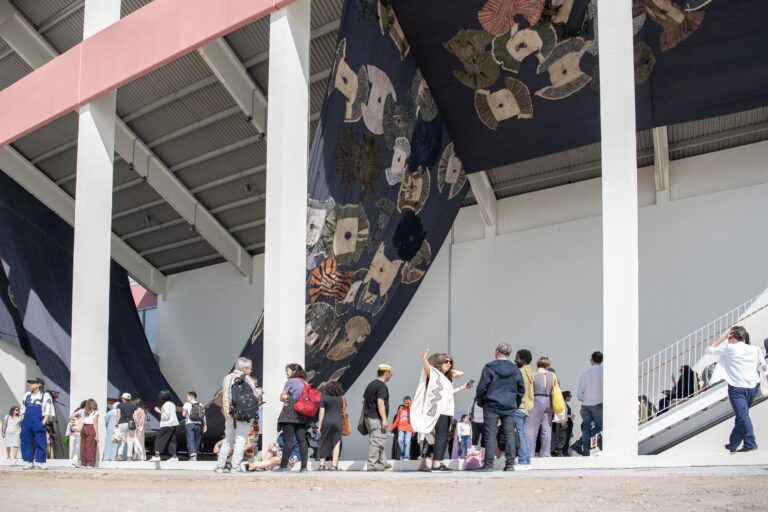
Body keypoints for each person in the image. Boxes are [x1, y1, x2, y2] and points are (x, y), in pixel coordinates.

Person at [707, 326, 767, 453]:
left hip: (737, 388)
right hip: (752, 387)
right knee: (742, 416)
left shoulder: (729, 348)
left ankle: (750, 443)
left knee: (742, 416)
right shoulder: (755, 349)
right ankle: (733, 444)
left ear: (732, 336)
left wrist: (723, 338)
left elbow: (709, 349)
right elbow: (764, 366)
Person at [412, 351, 468, 473]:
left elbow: (461, 373)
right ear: (438, 363)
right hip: (437, 411)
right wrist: (425, 359)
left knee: (440, 438)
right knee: (438, 437)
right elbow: (427, 367)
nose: (449, 364)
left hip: (446, 411)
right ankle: (436, 464)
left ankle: (435, 463)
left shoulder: (446, 378)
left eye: (450, 362)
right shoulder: (434, 374)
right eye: (446, 361)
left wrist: (448, 367)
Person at [475, 344, 525, 471]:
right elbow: (521, 389)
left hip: (491, 404)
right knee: (509, 434)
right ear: (508, 354)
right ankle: (510, 464)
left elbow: (481, 387)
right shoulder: (515, 369)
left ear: (497, 351)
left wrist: (481, 402)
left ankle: (489, 464)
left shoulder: (489, 367)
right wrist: (515, 403)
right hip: (509, 405)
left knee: (490, 434)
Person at [216, 357, 261, 474]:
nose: (251, 370)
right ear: (244, 368)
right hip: (243, 414)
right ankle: (235, 467)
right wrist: (261, 391)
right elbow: (256, 394)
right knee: (240, 439)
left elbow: (224, 394)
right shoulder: (247, 378)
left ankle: (220, 466)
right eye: (250, 368)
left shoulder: (226, 378)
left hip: (229, 413)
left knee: (228, 440)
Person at [274, 363, 312, 473]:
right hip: (302, 414)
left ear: (294, 371)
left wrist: (287, 398)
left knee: (288, 440)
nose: (286, 372)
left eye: (288, 370)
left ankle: (283, 466)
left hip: (290, 413)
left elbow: (281, 397)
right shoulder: (305, 382)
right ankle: (304, 467)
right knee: (302, 440)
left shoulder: (290, 381)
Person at [362, 364, 393, 472]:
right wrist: (384, 419)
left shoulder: (370, 385)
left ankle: (382, 463)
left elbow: (363, 400)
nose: (391, 376)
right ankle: (372, 465)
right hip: (376, 419)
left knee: (378, 440)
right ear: (386, 373)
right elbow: (380, 403)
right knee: (377, 442)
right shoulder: (381, 386)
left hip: (369, 418)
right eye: (391, 374)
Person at [20, 377, 55, 470]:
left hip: (39, 420)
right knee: (27, 441)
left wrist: (43, 423)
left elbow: (47, 411)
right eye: (30, 383)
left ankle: (41, 462)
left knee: (41, 441)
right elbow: (23, 408)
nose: (30, 384)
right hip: (27, 421)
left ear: (39, 385)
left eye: (32, 383)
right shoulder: (27, 395)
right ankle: (29, 461)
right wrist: (22, 421)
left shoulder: (45, 396)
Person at [526, 356, 556, 458]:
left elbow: (529, 390)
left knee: (532, 429)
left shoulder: (533, 374)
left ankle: (530, 453)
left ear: (537, 363)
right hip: (549, 400)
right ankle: (546, 453)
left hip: (537, 399)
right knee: (547, 428)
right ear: (548, 365)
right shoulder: (552, 375)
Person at [577, 351, 603, 456]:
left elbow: (579, 394)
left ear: (591, 360)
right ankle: (579, 443)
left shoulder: (585, 374)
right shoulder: (605, 373)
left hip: (586, 405)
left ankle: (585, 449)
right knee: (600, 426)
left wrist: (584, 399)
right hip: (599, 404)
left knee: (586, 428)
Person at [317, 380, 345, 470]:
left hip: (326, 421)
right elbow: (343, 411)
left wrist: (320, 425)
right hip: (337, 422)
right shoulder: (341, 398)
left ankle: (321, 465)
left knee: (324, 442)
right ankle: (334, 465)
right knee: (336, 443)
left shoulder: (324, 398)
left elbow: (321, 412)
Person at [514, 349, 534, 468]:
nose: (515, 360)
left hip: (519, 405)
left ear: (524, 359)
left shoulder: (519, 372)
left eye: (517, 357)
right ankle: (526, 461)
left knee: (519, 434)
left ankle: (522, 461)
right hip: (528, 406)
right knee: (522, 434)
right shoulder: (531, 371)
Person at [150, 390, 179, 462]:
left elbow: (166, 416)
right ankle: (174, 456)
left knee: (159, 439)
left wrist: (158, 410)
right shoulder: (172, 404)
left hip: (166, 424)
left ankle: (157, 455)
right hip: (173, 424)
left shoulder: (165, 405)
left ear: (163, 397)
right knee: (172, 440)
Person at [182, 391, 207, 461]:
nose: (186, 398)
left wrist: (186, 412)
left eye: (187, 396)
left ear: (191, 397)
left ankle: (193, 455)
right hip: (198, 424)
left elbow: (183, 414)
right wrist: (205, 425)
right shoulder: (201, 404)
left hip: (189, 423)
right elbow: (203, 416)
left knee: (190, 439)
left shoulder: (187, 404)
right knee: (197, 440)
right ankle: (194, 455)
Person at [389, 396, 414, 460]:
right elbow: (397, 420)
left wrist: (410, 404)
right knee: (400, 441)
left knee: (407, 441)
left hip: (409, 428)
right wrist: (391, 428)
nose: (406, 404)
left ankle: (406, 456)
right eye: (405, 403)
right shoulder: (401, 410)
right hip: (401, 428)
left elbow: (413, 417)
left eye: (407, 403)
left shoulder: (412, 409)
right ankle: (402, 453)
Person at [114, 392, 137, 461]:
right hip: (130, 424)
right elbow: (135, 416)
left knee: (122, 440)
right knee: (130, 440)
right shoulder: (133, 406)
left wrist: (116, 423)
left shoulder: (119, 406)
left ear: (123, 398)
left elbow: (118, 415)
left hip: (121, 424)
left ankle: (119, 455)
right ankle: (129, 457)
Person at [78, 399, 99, 468]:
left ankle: (83, 463)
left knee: (83, 446)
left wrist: (77, 420)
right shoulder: (95, 412)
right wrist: (97, 435)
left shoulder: (82, 411)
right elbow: (95, 424)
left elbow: (72, 415)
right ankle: (90, 463)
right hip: (90, 427)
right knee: (91, 446)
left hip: (83, 428)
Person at [552, 391, 573, 456]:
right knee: (562, 437)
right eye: (569, 396)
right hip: (562, 423)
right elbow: (561, 414)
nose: (571, 397)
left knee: (563, 437)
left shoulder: (565, 404)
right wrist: (569, 416)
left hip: (565, 423)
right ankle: (556, 450)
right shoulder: (562, 404)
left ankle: (558, 451)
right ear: (565, 396)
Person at [68, 400, 86, 466]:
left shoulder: (80, 410)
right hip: (81, 430)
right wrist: (79, 421)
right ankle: (75, 460)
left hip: (77, 430)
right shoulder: (84, 411)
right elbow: (71, 416)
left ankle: (76, 460)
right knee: (79, 446)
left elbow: (71, 416)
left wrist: (77, 420)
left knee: (77, 445)